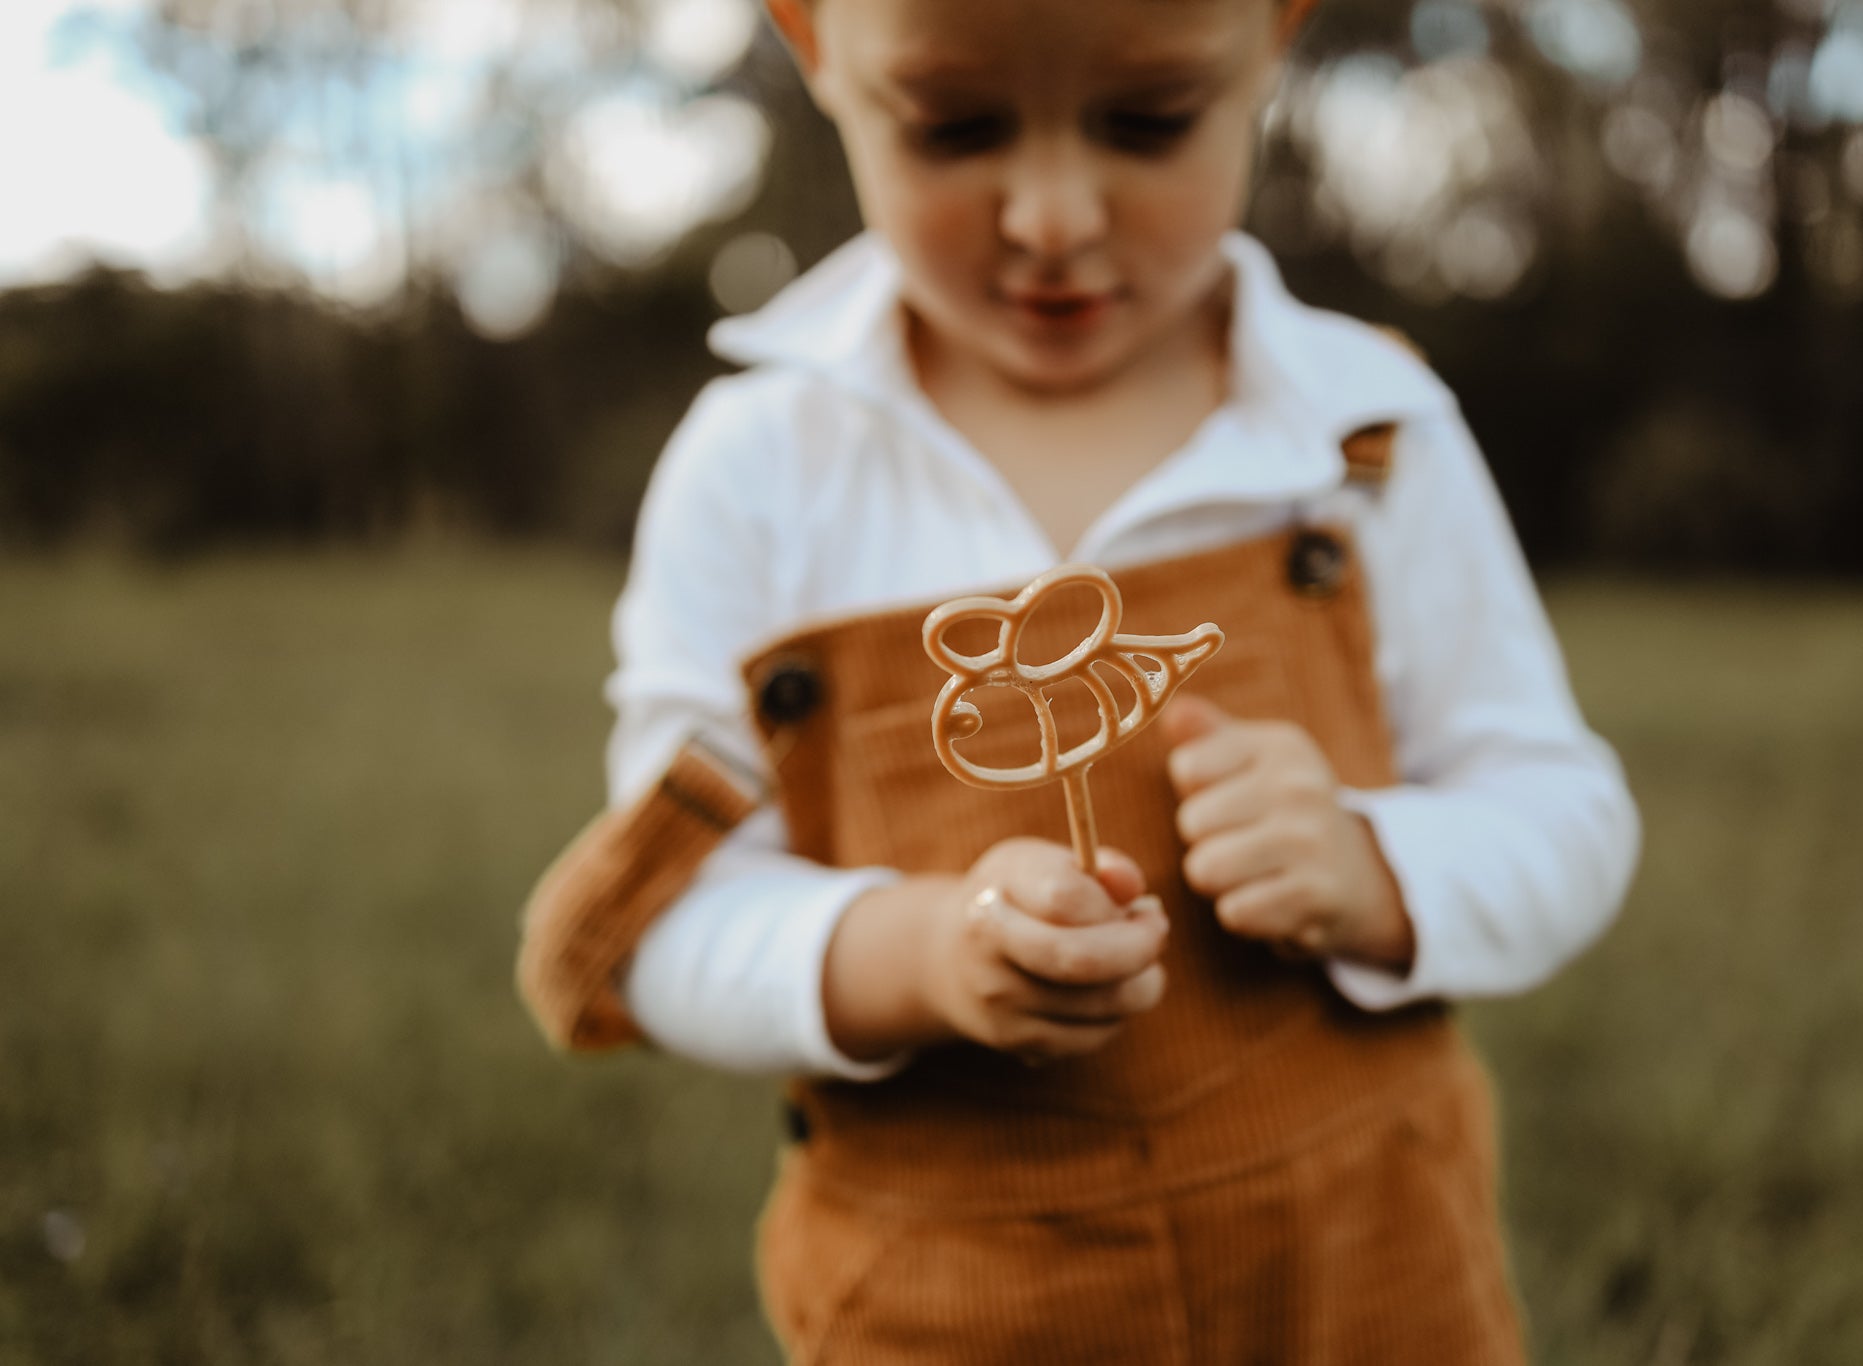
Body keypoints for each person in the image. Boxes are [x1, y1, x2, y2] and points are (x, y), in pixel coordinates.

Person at [527, 0, 1640, 1358]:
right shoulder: (761, 467)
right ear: (817, 49)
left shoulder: (1360, 433)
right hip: (950, 1305)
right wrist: (916, 954)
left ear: (1275, 39)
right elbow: (667, 928)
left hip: (1363, 1278)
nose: (1053, 215)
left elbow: (1565, 807)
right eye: (958, 127)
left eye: (1147, 121)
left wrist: (1374, 864)